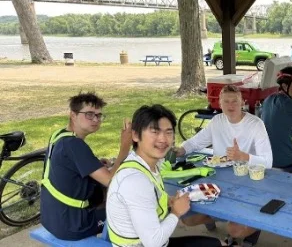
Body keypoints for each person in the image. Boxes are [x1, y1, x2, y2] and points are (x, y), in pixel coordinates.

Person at [106, 104, 229, 246]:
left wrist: (168, 201)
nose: (163, 139)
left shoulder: (146, 163)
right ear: (135, 135)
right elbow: (154, 242)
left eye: (168, 132)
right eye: (155, 132)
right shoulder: (135, 181)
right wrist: (176, 212)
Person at [175, 85, 272, 245]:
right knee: (188, 219)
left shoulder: (255, 124)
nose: (230, 105)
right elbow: (196, 142)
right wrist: (181, 149)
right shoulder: (217, 121)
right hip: (218, 181)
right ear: (219, 104)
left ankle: (252, 225)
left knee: (234, 230)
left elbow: (268, 161)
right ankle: (216, 215)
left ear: (243, 102)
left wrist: (243, 156)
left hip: (248, 182)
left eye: (235, 101)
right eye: (226, 101)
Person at [41, 92, 132, 240]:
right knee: (129, 213)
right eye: (89, 114)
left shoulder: (60, 135)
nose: (96, 119)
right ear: (73, 115)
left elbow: (70, 165)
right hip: (72, 226)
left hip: (51, 218)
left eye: (99, 115)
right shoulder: (75, 145)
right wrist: (125, 148)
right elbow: (110, 180)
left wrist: (95, 164)